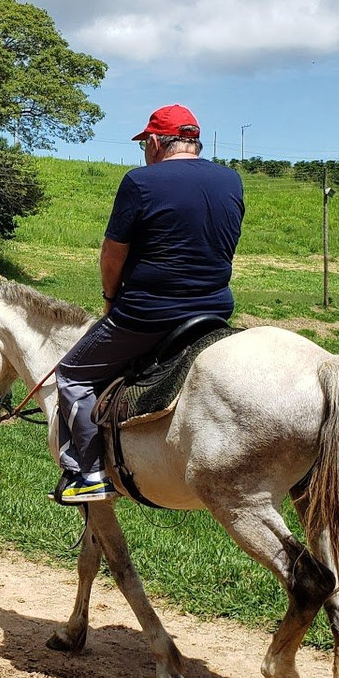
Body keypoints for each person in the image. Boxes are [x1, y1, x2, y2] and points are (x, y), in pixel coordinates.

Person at [52, 104, 244, 504]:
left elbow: (112, 255)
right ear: (194, 140)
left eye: (145, 144)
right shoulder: (232, 181)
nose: (144, 151)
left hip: (148, 314)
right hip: (213, 312)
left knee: (72, 375)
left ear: (156, 142)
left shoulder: (140, 182)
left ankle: (87, 474)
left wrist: (110, 299)